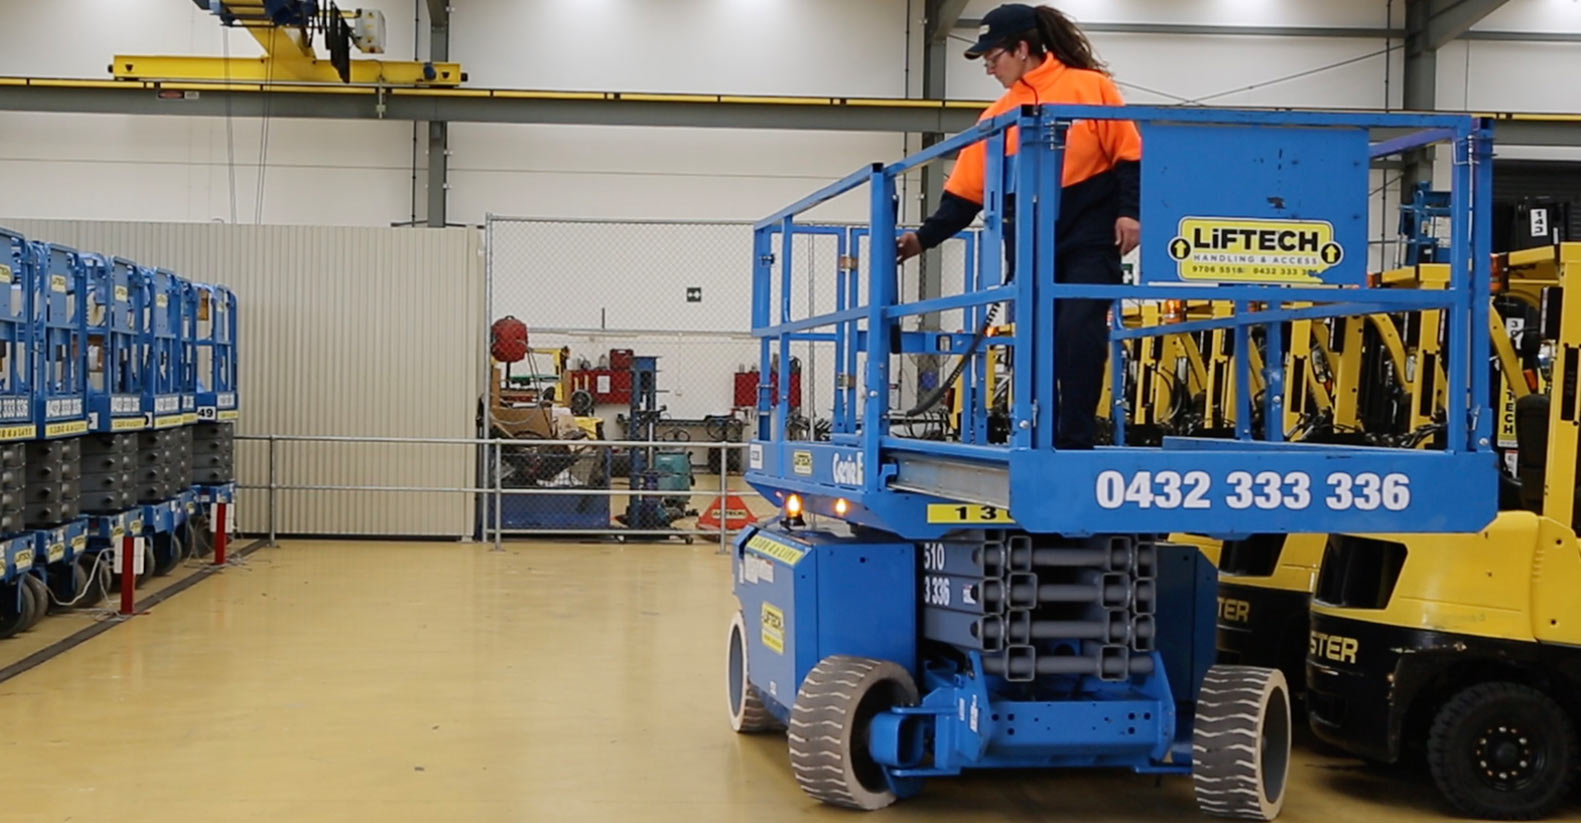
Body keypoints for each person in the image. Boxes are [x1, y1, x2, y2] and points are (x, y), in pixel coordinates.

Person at [898, 3, 1140, 449]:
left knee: (1078, 330)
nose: (989, 68)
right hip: (1028, 243)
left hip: (1089, 234)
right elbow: (964, 195)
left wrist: (1130, 213)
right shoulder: (997, 117)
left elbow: (1128, 154)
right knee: (1035, 341)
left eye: (994, 58)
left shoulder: (1090, 88)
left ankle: (1074, 442)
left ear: (1022, 49)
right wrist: (921, 239)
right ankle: (1036, 438)